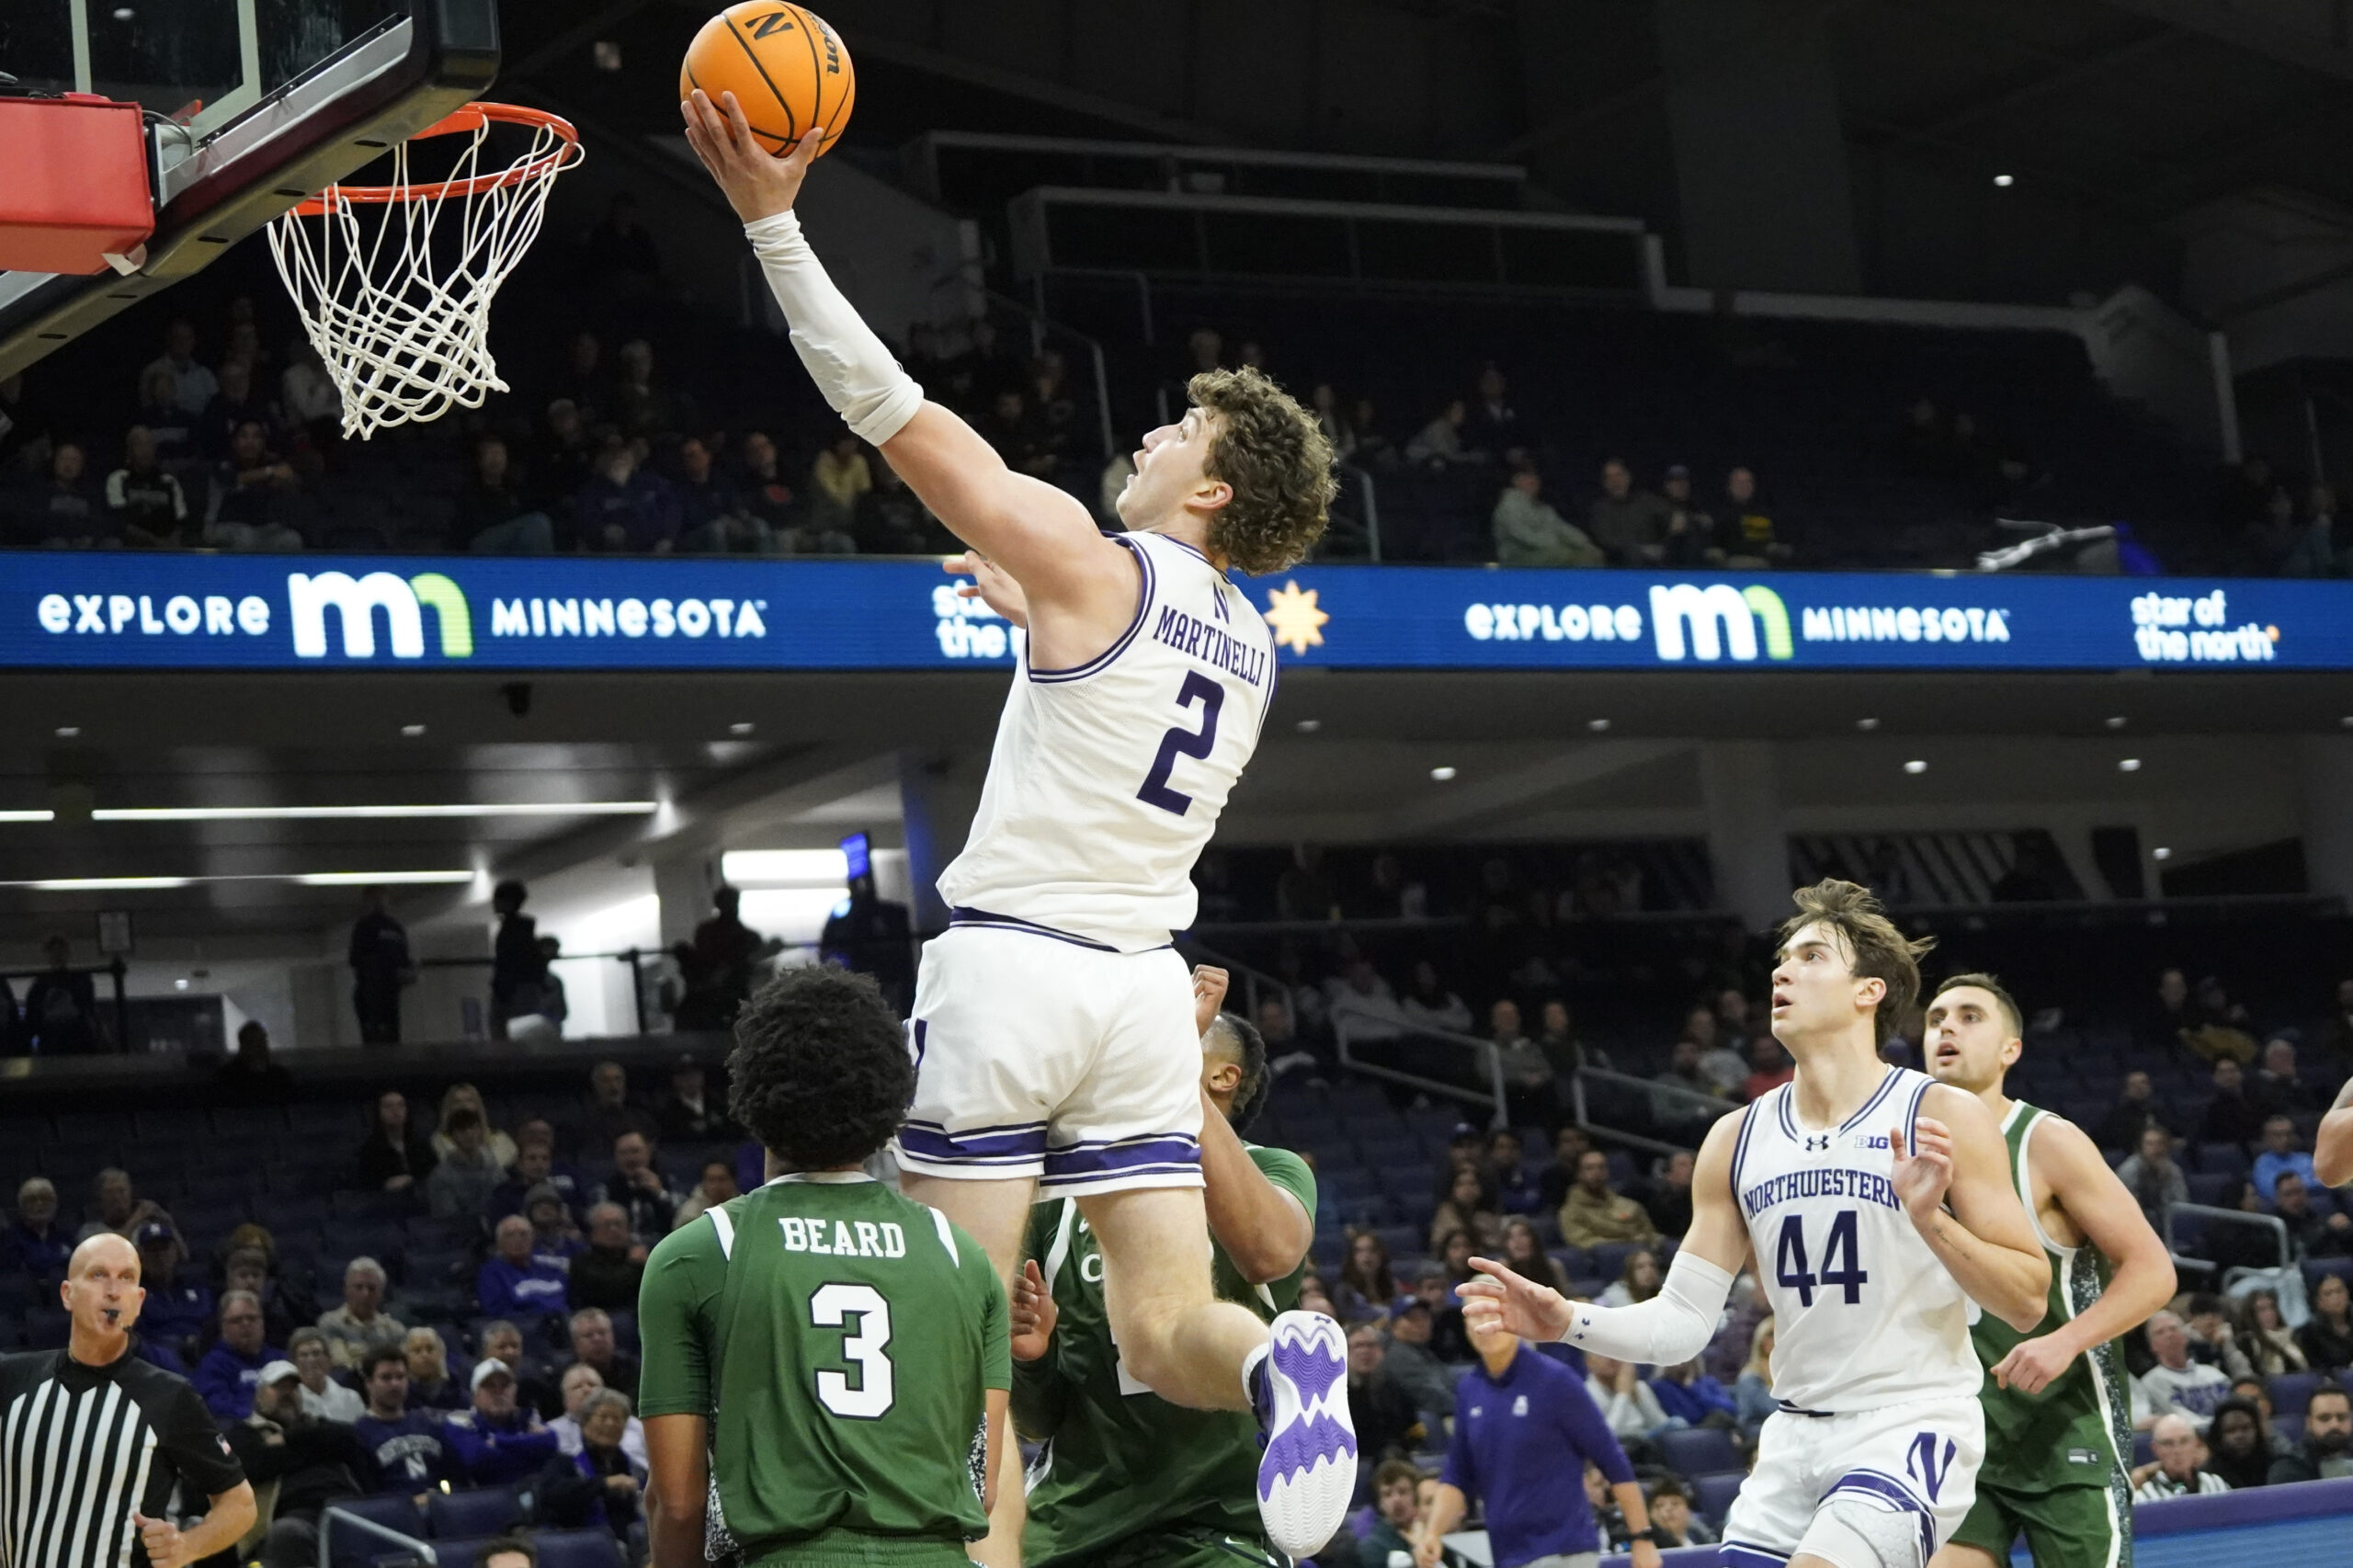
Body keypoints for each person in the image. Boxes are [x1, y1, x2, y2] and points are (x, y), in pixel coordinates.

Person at [686, 96, 1348, 1554]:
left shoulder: (1097, 561)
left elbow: (888, 408)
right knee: (1173, 1324)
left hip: (1017, 972)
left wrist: (772, 225)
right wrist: (1037, 612)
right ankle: (1279, 1359)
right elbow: (1106, 702)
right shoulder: (1250, 642)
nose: (1158, 429)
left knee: (961, 1343)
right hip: (1138, 993)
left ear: (1214, 488)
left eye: (1184, 427)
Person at [1457, 880, 2050, 1568]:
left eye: (1811, 957)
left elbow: (2028, 1299)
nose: (1782, 970)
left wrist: (1931, 1222)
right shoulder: (1734, 1140)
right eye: (1781, 959)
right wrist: (1566, 1321)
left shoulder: (1941, 1114)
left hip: (1910, 1423)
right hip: (1793, 1438)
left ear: (1870, 991)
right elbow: (1681, 1322)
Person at [636, 966, 1012, 1568]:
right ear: (888, 1095)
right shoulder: (960, 1256)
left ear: (753, 1087)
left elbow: (678, 1504)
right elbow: (982, 1488)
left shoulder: (696, 1255)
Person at [998, 970, 1317, 1568]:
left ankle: (1283, 1375)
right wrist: (1031, 1357)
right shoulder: (1060, 1199)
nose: (1143, 1047)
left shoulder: (1272, 1171)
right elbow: (1040, 1422)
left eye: (1173, 1037)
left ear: (1223, 1075)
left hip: (1216, 1529)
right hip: (1074, 1531)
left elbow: (1271, 1252)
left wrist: (1170, 1073)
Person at [1920, 974, 2173, 1568]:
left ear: (2011, 1049)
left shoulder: (2046, 1141)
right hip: (1961, 1438)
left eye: (1970, 1016)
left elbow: (2153, 1270)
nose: (1947, 1028)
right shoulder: (1905, 1149)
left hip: (2065, 1431)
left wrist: (2066, 1342)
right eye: (1935, 1019)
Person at [0, 1234, 257, 1567]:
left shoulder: (169, 1396)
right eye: (97, 1275)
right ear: (68, 1294)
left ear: (137, 1302)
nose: (113, 1290)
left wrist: (188, 1546)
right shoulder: (12, 1378)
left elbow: (240, 1503)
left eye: (126, 1278)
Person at [1415, 1312, 1663, 1568]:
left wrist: (1642, 1538)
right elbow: (1457, 1476)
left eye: (1494, 1314)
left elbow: (1612, 1459)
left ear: (1514, 1319)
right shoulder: (1469, 1390)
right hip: (1508, 1555)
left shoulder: (1555, 1381)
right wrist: (1432, 1533)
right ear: (1466, 1327)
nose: (1485, 1324)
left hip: (1564, 1551)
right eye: (1476, 1316)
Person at [226, 1358, 369, 1566]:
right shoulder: (244, 1433)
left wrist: (289, 1439)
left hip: (347, 1505)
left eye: (293, 1388)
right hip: (296, 1514)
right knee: (287, 1533)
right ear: (259, 1396)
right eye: (278, 1387)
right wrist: (314, 1447)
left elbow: (348, 1436)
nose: (287, 1393)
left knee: (391, 1515)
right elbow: (256, 1464)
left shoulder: (315, 1424)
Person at [534, 1387, 647, 1542]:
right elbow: (552, 1498)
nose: (610, 1424)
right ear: (585, 1422)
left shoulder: (635, 1468)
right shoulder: (566, 1461)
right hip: (581, 1543)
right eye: (603, 1417)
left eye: (617, 1418)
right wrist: (604, 1484)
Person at [353, 1345, 457, 1495]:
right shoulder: (359, 1434)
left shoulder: (427, 1424)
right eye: (386, 1378)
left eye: (400, 1377)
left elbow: (455, 1476)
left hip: (440, 1507)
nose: (395, 1384)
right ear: (368, 1383)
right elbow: (369, 1493)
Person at [445, 1358, 560, 1486]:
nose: (498, 1392)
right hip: (486, 1498)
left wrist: (499, 1441)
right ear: (475, 1395)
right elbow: (477, 1458)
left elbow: (551, 1441)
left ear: (514, 1392)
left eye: (504, 1385)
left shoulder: (527, 1416)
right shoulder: (461, 1421)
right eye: (489, 1386)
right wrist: (530, 1450)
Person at [196, 1290, 286, 1422]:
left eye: (252, 1318)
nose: (246, 1324)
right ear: (223, 1326)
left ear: (262, 1323)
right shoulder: (212, 1365)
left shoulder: (280, 1359)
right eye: (237, 1320)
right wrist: (256, 1418)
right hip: (242, 1430)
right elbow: (217, 1406)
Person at [2136, 1311, 2232, 1430]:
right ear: (2153, 1346)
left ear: (2185, 1336)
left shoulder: (2213, 1373)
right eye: (2160, 1332)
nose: (2169, 1335)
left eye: (2173, 1328)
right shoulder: (2152, 1382)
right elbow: (2181, 1418)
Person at [1492, 467, 1603, 567]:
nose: (1533, 481)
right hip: (1518, 558)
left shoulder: (1544, 509)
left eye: (1534, 477)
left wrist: (1584, 543)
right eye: (1527, 478)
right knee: (1568, 555)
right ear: (1517, 482)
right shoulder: (1509, 505)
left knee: (1592, 554)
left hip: (1546, 552)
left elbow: (1562, 528)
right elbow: (1522, 534)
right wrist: (1554, 544)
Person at [549, 1361, 650, 1469]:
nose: (586, 1390)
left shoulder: (635, 1425)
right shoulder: (552, 1430)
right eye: (577, 1387)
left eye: (592, 1385)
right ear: (565, 1399)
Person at [348, 888, 415, 1045]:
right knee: (381, 1035)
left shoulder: (391, 928)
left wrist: (406, 971)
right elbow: (357, 959)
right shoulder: (368, 927)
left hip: (385, 992)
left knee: (384, 1036)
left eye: (381, 899)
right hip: (373, 992)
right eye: (375, 899)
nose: (379, 903)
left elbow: (404, 960)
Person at [1556, 1151, 1660, 1251]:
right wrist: (1626, 1242)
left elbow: (1650, 1234)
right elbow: (1582, 1243)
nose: (1597, 1173)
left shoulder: (1629, 1205)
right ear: (1579, 1174)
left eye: (1601, 1167)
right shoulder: (1570, 1212)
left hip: (1644, 1254)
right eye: (1589, 1168)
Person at [478, 1214, 570, 1321]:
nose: (518, 1240)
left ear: (532, 1239)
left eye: (523, 1234)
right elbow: (498, 1313)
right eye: (509, 1235)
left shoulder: (551, 1266)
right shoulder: (491, 1272)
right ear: (499, 1243)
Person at [24, 935, 104, 1054]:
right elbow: (32, 1016)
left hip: (70, 1039)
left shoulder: (41, 985)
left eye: (61, 951)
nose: (58, 955)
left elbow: (32, 1017)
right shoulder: (41, 985)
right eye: (54, 952)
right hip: (60, 1040)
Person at [487, 881, 545, 1040]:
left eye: (497, 899)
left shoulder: (514, 930)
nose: (494, 903)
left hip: (514, 987)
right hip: (516, 986)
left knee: (508, 1029)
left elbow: (512, 960)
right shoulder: (519, 928)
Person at [2266, 1380, 2353, 1483]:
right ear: (2309, 1423)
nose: (2334, 1425)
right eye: (2324, 1418)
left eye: (2341, 1417)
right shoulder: (2288, 1469)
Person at [428, 1108, 506, 1221]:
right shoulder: (440, 1176)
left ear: (480, 1131)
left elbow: (505, 1196)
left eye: (473, 1128)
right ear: (452, 1136)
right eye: (462, 1130)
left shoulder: (493, 1166)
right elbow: (447, 1216)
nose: (469, 1134)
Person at [354, 1090, 437, 1193]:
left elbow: (435, 1174)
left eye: (401, 1105)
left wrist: (411, 1180)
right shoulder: (370, 1150)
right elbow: (365, 1185)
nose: (395, 1110)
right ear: (378, 1112)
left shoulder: (421, 1145)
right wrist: (385, 1185)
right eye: (388, 1106)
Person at [2131, 1413, 2229, 1499]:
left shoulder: (2217, 1485)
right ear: (2155, 1449)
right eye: (2168, 1443)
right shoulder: (2144, 1498)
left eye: (2184, 1441)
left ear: (2196, 1444)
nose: (2177, 1450)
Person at [574, 1060, 660, 1157]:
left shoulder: (642, 1117)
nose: (614, 1086)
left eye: (618, 1079)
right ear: (596, 1085)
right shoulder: (584, 1121)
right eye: (606, 1080)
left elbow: (652, 1145)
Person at [570, 1203, 646, 1312]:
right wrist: (634, 1266)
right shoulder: (582, 1262)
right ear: (593, 1231)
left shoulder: (636, 1256)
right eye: (607, 1225)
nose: (614, 1230)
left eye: (618, 1224)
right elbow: (608, 1292)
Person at [2114, 1125, 2188, 1235]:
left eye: (2160, 1143)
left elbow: (2182, 1206)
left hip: (2166, 1229)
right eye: (2150, 1144)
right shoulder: (2129, 1170)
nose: (2155, 1149)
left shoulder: (2173, 1171)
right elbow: (2124, 1209)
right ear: (2141, 1147)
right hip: (2133, 1229)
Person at [655, 1051, 738, 1143]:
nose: (691, 1080)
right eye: (685, 1076)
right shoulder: (669, 1110)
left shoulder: (717, 1102)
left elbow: (731, 1132)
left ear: (702, 1076)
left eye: (694, 1074)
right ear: (676, 1080)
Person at [563, 1307, 640, 1404]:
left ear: (612, 1337)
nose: (597, 1339)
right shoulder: (565, 1375)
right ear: (576, 1344)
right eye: (588, 1335)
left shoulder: (632, 1368)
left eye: (602, 1333)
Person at [1358, 1459, 1424, 1568]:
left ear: (1416, 1496)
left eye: (1403, 1492)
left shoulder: (1432, 1533)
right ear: (1380, 1503)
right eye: (1387, 1494)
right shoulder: (1372, 1546)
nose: (1396, 1500)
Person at [287, 1327, 362, 1422]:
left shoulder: (351, 1399)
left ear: (328, 1359)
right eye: (304, 1355)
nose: (311, 1360)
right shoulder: (291, 1402)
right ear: (294, 1362)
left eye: (316, 1353)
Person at [5, 1176, 72, 1279]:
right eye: (32, 1200)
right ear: (21, 1206)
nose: (40, 1204)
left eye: (46, 1199)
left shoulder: (65, 1237)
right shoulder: (10, 1240)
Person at [2201, 1396, 2274, 1491]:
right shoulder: (2208, 1475)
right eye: (2231, 1430)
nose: (2239, 1436)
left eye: (2246, 1428)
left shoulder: (2275, 1464)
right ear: (2219, 1435)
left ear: (2257, 1431)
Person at [214, 1020, 292, 1101]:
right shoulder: (228, 1077)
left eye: (263, 1042)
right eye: (253, 1042)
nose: (260, 1047)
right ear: (243, 1046)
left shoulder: (279, 1076)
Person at [402, 1326, 467, 1412]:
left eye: (430, 1349)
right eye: (417, 1350)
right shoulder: (400, 1397)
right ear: (405, 1358)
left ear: (441, 1354)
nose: (425, 1355)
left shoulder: (457, 1393)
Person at [2252, 1116, 2318, 1200]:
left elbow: (2325, 1184)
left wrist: (2290, 1187)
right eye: (2278, 1135)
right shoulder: (2262, 1163)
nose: (2285, 1139)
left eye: (2288, 1134)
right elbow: (2271, 1192)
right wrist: (2307, 1182)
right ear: (2267, 1138)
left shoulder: (2306, 1159)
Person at [2298, 1274, 2353, 1371]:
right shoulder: (2310, 1332)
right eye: (2328, 1294)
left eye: (2339, 1291)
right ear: (2319, 1302)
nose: (2336, 1297)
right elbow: (2316, 1370)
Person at [673, 1159, 741, 1228]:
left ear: (733, 1182)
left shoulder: (743, 1207)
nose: (716, 1186)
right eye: (711, 1180)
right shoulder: (690, 1214)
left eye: (722, 1179)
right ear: (703, 1183)